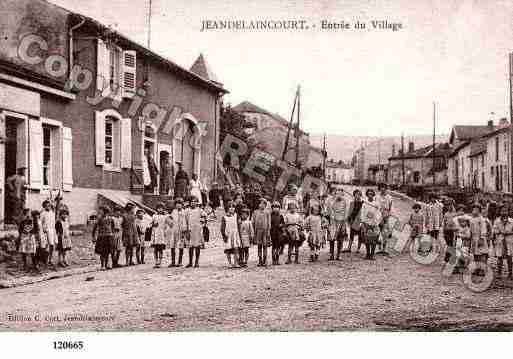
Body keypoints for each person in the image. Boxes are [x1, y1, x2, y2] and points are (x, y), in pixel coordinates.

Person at [493, 205, 513, 279]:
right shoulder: (497, 221)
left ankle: (510, 273)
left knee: (509, 257)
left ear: (508, 212)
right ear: (500, 212)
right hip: (500, 240)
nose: (504, 212)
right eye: (502, 211)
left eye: (505, 211)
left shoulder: (511, 221)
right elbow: (494, 230)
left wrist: (508, 232)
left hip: (509, 241)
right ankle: (499, 272)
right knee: (500, 256)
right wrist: (500, 232)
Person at [361, 189, 381, 260]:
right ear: (367, 195)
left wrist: (376, 222)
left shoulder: (376, 204)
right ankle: (367, 254)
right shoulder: (364, 203)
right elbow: (362, 213)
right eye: (369, 194)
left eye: (372, 194)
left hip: (374, 223)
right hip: (366, 223)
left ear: (373, 195)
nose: (370, 195)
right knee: (367, 239)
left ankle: (372, 254)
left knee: (374, 239)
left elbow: (378, 214)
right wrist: (363, 222)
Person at [92, 206, 115, 270]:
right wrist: (93, 237)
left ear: (106, 212)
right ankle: (102, 265)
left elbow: (113, 227)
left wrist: (112, 233)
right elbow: (95, 228)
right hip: (101, 237)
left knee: (107, 252)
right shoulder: (99, 219)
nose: (100, 212)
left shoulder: (110, 219)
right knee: (102, 252)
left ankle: (107, 264)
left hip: (109, 236)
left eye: (102, 211)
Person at [469, 203, 489, 276]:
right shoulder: (471, 219)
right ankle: (477, 268)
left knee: (482, 255)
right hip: (474, 239)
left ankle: (482, 270)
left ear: (479, 211)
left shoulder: (481, 219)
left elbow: (483, 229)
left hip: (480, 238)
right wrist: (470, 237)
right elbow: (470, 229)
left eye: (476, 209)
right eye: (473, 209)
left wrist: (482, 238)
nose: (474, 211)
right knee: (475, 255)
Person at [186, 196, 206, 268]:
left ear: (197, 203)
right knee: (191, 246)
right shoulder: (187, 211)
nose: (193, 203)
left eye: (195, 202)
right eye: (192, 202)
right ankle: (190, 262)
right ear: (190, 203)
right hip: (190, 230)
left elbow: (204, 217)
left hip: (197, 230)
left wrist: (202, 223)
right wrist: (186, 230)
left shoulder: (200, 210)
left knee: (197, 246)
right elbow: (186, 221)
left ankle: (196, 262)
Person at [151, 203, 172, 268]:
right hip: (155, 234)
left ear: (163, 209)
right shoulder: (154, 216)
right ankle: (156, 261)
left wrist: (168, 216)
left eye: (161, 208)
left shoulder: (165, 216)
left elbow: (170, 223)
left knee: (160, 249)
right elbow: (151, 224)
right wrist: (154, 225)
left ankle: (160, 261)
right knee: (155, 249)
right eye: (158, 208)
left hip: (162, 234)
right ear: (156, 209)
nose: (160, 209)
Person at [328, 190, 347, 260]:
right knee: (331, 239)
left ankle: (339, 254)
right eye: (337, 193)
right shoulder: (331, 201)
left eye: (340, 194)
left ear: (342, 194)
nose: (339, 195)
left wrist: (344, 222)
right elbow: (329, 211)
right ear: (335, 194)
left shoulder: (344, 201)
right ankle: (331, 254)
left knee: (340, 239)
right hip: (333, 222)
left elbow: (346, 212)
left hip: (341, 221)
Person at [169, 198, 188, 267]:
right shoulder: (173, 211)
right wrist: (170, 224)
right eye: (177, 204)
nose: (178, 205)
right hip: (174, 230)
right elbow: (170, 219)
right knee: (172, 245)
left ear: (182, 205)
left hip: (181, 231)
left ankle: (180, 261)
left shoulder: (184, 212)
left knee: (181, 245)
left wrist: (184, 229)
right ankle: (173, 261)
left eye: (180, 204)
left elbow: (185, 221)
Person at [253, 198, 271, 267]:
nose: (262, 205)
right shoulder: (255, 212)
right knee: (259, 245)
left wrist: (268, 231)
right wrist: (254, 232)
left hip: (265, 231)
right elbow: (253, 221)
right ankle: (260, 260)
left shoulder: (267, 212)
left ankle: (265, 259)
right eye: (260, 203)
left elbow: (269, 222)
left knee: (265, 246)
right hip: (258, 231)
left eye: (264, 203)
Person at [376, 183, 393, 254]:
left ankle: (384, 249)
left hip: (386, 215)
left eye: (384, 187)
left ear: (386, 188)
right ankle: (378, 245)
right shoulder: (377, 197)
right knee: (377, 231)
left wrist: (388, 215)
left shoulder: (389, 197)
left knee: (385, 233)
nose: (382, 189)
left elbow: (391, 207)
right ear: (379, 188)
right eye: (381, 187)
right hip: (378, 215)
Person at [41, 200, 57, 267]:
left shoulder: (52, 213)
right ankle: (45, 260)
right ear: (44, 206)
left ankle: (50, 259)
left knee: (52, 246)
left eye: (49, 205)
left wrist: (54, 232)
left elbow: (53, 223)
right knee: (46, 247)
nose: (48, 207)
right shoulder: (43, 213)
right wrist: (43, 229)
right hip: (46, 232)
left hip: (52, 231)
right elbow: (40, 223)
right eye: (46, 206)